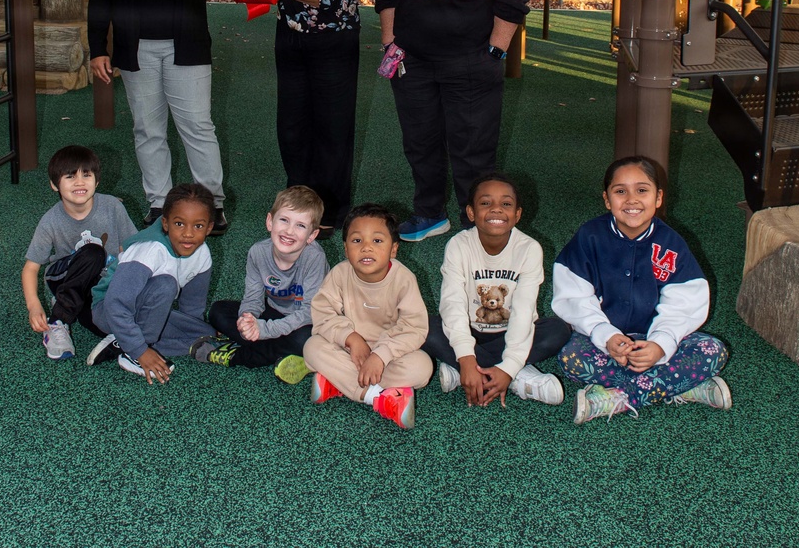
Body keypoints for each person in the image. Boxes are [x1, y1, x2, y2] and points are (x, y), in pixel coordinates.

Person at [375, 0, 530, 242]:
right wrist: (390, 43)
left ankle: (474, 222)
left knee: (473, 150)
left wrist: (495, 52)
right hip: (414, 65)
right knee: (420, 143)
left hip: (471, 65)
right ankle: (429, 213)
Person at [88, 0, 230, 233]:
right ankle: (158, 203)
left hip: (187, 44)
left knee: (197, 126)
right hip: (135, 49)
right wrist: (98, 47)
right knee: (148, 129)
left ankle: (211, 205)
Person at [231, 0, 372, 235]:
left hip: (335, 40)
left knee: (332, 125)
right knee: (291, 124)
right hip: (290, 36)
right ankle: (298, 202)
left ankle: (332, 210)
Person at [552, 156, 732, 424]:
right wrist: (606, 336)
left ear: (658, 198)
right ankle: (683, 385)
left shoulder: (672, 244)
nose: (631, 200)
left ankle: (617, 397)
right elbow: (573, 297)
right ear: (607, 199)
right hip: (607, 343)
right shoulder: (589, 237)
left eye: (642, 190)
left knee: (712, 350)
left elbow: (684, 303)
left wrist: (660, 345)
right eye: (620, 191)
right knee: (569, 354)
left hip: (655, 339)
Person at [423, 173, 570, 407]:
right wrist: (466, 355)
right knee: (423, 327)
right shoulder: (458, 246)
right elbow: (453, 303)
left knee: (558, 330)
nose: (496, 209)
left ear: (517, 214)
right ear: (471, 212)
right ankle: (516, 376)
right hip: (469, 329)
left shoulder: (529, 249)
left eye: (506, 204)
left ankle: (467, 372)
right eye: (485, 203)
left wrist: (508, 366)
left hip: (511, 331)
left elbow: (523, 311)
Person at [303, 204, 432, 429]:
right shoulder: (340, 274)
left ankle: (337, 382)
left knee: (422, 366)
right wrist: (351, 339)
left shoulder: (404, 279)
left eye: (377, 241)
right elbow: (323, 313)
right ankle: (378, 397)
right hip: (350, 350)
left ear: (393, 250)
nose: (366, 248)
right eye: (357, 241)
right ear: (345, 249)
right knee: (312, 347)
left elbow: (414, 327)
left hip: (389, 354)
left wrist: (381, 356)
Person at [192, 185, 329, 382]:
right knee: (218, 311)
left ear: (312, 236)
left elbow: (310, 312)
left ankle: (238, 356)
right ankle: (290, 355)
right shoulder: (257, 252)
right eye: (284, 220)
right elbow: (253, 298)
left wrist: (264, 330)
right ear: (270, 222)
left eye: (300, 226)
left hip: (306, 321)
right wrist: (248, 320)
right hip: (273, 312)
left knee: (305, 340)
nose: (289, 231)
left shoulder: (314, 258)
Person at [87, 183, 215, 381]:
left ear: (209, 228)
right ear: (165, 223)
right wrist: (140, 350)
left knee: (206, 333)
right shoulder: (151, 249)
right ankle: (133, 353)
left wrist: (192, 330)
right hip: (107, 311)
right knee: (166, 284)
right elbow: (116, 303)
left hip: (145, 312)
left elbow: (192, 309)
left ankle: (121, 341)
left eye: (198, 226)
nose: (188, 234)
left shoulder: (203, 255)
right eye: (179, 224)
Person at [21, 144, 137, 361]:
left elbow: (131, 250)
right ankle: (58, 321)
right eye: (70, 176)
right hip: (63, 275)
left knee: (105, 324)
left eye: (86, 174)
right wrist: (34, 304)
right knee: (93, 252)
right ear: (55, 185)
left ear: (97, 181)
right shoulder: (50, 221)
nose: (80, 182)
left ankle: (74, 308)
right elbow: (31, 268)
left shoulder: (112, 207)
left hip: (99, 283)